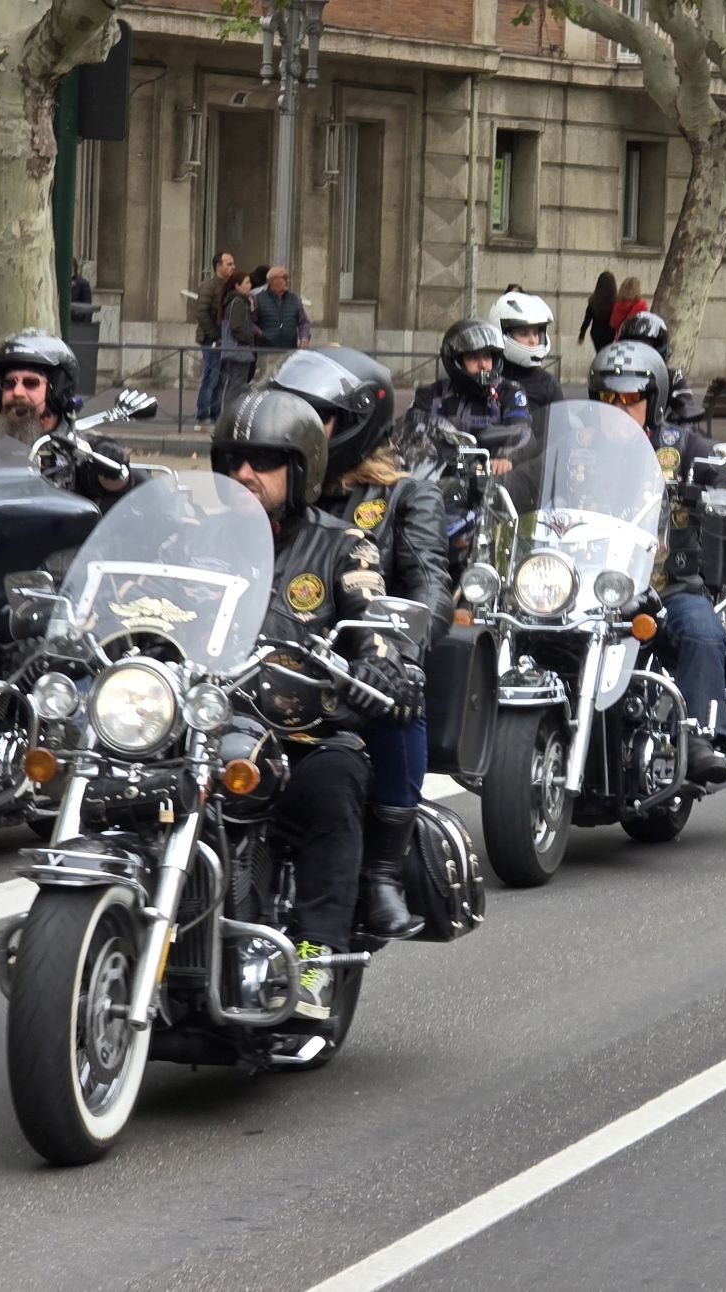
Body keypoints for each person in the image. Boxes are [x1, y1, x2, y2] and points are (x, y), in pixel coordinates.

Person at [211, 387, 423, 1020]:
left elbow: (371, 613)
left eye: (263, 461)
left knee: (333, 788)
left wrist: (381, 659)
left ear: (300, 468)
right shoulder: (197, 540)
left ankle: (313, 959)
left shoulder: (342, 547)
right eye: (233, 461)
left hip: (302, 739)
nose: (244, 474)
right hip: (204, 725)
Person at [274, 347, 452, 941]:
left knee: (402, 697)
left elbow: (429, 578)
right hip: (267, 660)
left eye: (315, 416)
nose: (297, 427)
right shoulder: (275, 485)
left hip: (358, 665)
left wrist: (398, 655)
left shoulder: (404, 497)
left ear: (353, 426)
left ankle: (381, 871)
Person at [586, 341, 726, 784]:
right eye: (610, 398)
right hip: (589, 589)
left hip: (664, 588)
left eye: (631, 399)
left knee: (702, 628)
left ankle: (701, 735)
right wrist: (497, 474)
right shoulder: (580, 447)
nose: (620, 407)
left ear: (654, 403)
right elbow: (527, 474)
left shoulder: (680, 445)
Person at [0, 330, 130, 501]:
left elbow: (113, 485)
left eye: (30, 383)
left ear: (57, 390)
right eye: (9, 383)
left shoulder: (76, 449)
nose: (17, 391)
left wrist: (110, 460)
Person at [410, 320, 531, 465]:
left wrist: (507, 456)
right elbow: (411, 432)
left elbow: (522, 430)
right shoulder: (431, 395)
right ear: (456, 362)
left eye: (487, 357)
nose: (483, 365)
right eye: (473, 358)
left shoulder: (510, 391)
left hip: (491, 476)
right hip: (440, 475)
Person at [615, 309, 702, 424]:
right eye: (631, 346)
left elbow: (686, 408)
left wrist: (678, 421)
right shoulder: (615, 377)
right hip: (621, 435)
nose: (637, 353)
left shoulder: (672, 377)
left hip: (658, 438)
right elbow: (598, 409)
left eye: (644, 348)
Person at [489, 287, 562, 407]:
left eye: (536, 333)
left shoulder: (548, 384)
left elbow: (562, 423)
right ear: (501, 333)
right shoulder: (490, 380)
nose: (533, 340)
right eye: (524, 334)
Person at [194, 251, 236, 432]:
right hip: (211, 340)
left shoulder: (230, 287)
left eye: (233, 264)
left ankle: (216, 415)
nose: (233, 267)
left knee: (221, 380)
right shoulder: (208, 286)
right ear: (218, 266)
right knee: (210, 378)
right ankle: (203, 417)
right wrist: (214, 336)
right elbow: (202, 312)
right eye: (229, 264)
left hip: (225, 339)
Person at [219, 269, 260, 409]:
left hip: (237, 350)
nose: (250, 286)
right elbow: (236, 327)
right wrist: (248, 339)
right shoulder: (237, 303)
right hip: (239, 351)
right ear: (237, 285)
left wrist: (252, 309)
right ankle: (230, 416)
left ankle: (228, 415)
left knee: (234, 384)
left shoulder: (240, 302)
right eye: (247, 283)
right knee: (237, 385)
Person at [255, 266, 311, 352]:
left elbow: (303, 322)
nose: (288, 281)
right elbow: (249, 323)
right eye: (284, 278)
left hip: (289, 351)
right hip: (265, 351)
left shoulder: (294, 299)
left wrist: (304, 338)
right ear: (273, 280)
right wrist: (261, 334)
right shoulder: (258, 299)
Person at [579, 270, 618, 352]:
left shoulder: (593, 302)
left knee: (600, 353)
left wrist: (581, 335)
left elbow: (587, 320)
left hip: (596, 334)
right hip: (611, 334)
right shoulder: (616, 302)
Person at [68, 258, 94, 322]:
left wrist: (85, 325)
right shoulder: (59, 283)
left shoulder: (82, 283)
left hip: (77, 321)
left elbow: (88, 306)